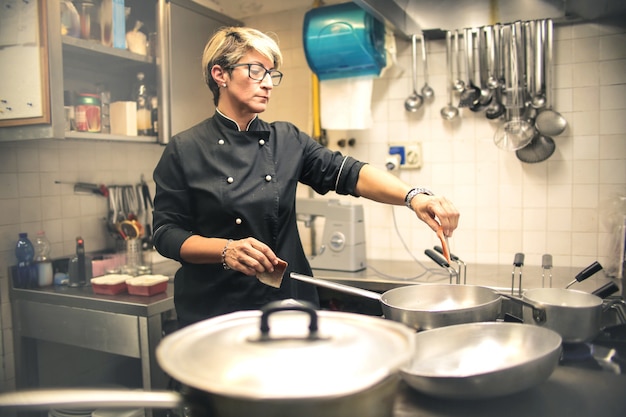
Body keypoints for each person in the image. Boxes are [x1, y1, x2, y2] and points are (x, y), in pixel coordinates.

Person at [152, 26, 460, 328]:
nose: (268, 83)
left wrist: (414, 197)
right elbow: (166, 233)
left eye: (272, 74)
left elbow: (348, 172)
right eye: (257, 71)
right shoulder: (185, 149)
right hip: (215, 310)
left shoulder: (286, 139)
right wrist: (224, 250)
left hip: (287, 304)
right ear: (220, 74)